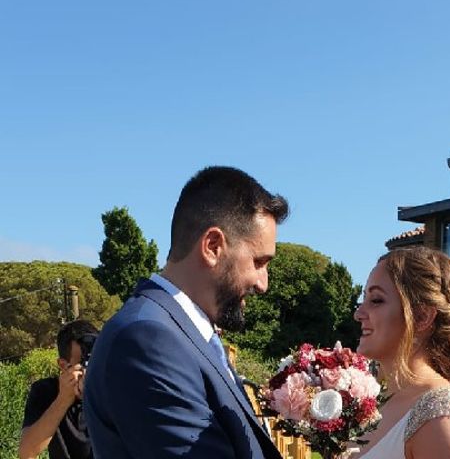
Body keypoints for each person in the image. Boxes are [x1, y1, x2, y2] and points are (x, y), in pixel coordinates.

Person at [84, 166, 288, 459]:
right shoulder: (147, 340)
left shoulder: (184, 334)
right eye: (258, 261)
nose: (263, 283)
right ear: (213, 246)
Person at [352, 246, 450, 459]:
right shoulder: (375, 400)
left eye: (376, 300)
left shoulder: (442, 419)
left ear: (422, 317)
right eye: (363, 299)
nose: (358, 314)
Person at [19, 320, 99, 459]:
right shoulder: (46, 391)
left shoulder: (111, 389)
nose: (90, 372)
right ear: (63, 365)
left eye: (96, 362)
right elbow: (27, 452)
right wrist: (63, 399)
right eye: (83, 364)